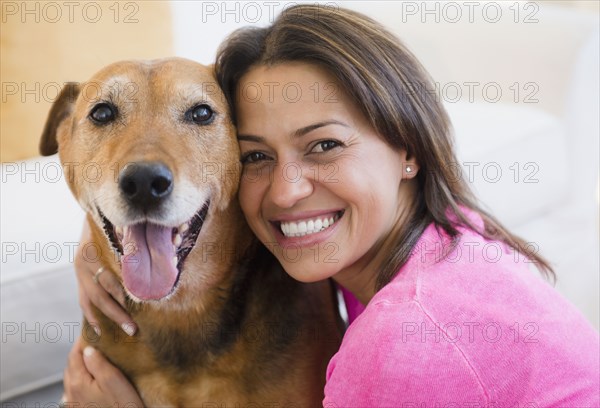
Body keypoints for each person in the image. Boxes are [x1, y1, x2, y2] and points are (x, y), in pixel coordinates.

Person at [62, 4, 600, 406]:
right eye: (256, 156)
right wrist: (107, 235)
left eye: (325, 146)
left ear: (407, 146)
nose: (287, 191)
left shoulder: (394, 351)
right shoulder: (451, 234)